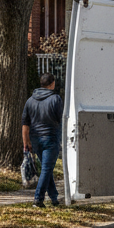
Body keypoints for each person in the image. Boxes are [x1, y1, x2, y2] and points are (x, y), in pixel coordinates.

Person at [22, 72, 64, 208]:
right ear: (52, 84)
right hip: (50, 138)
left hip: (35, 140)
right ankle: (38, 199)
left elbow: (25, 124)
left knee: (47, 168)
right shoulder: (55, 99)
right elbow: (61, 119)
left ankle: (54, 197)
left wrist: (26, 143)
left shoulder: (30, 100)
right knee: (46, 169)